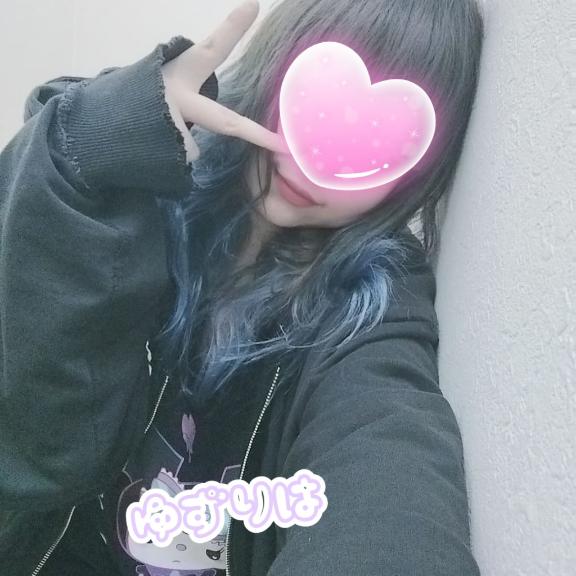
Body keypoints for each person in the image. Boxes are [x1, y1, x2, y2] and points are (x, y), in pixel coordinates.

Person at [0, 0, 485, 574]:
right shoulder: (132, 196)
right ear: (277, 65)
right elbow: (28, 416)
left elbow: (389, 462)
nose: (311, 161)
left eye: (374, 142)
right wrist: (96, 144)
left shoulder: (371, 306)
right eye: (317, 101)